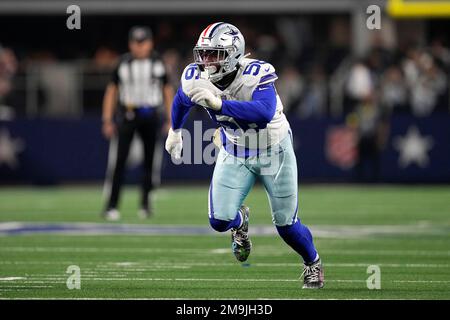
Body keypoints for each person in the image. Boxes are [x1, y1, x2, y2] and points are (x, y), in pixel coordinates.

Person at [165, 22, 324, 289]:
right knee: (219, 220)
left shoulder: (255, 73)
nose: (206, 61)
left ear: (233, 53)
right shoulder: (196, 76)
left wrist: (220, 104)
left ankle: (313, 262)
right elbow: (182, 99)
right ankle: (241, 223)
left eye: (214, 54)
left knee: (286, 225)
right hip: (235, 150)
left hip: (274, 150)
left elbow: (262, 114)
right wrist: (175, 131)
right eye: (203, 54)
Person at [102, 26, 173, 220]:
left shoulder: (158, 63)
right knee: (119, 162)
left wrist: (170, 119)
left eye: (143, 42)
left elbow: (167, 90)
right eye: (136, 42)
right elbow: (111, 91)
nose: (139, 47)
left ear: (150, 43)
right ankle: (111, 205)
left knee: (151, 163)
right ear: (130, 44)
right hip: (128, 114)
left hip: (151, 115)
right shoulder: (122, 64)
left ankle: (146, 203)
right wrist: (107, 119)